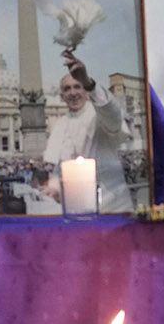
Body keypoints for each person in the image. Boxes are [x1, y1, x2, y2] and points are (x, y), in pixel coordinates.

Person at [41, 51, 135, 212]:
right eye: (67, 89)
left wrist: (88, 82)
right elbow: (59, 167)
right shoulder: (60, 125)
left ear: (85, 91)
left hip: (111, 204)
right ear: (62, 96)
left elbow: (113, 116)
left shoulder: (100, 114)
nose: (73, 93)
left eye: (78, 86)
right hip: (76, 206)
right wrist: (53, 186)